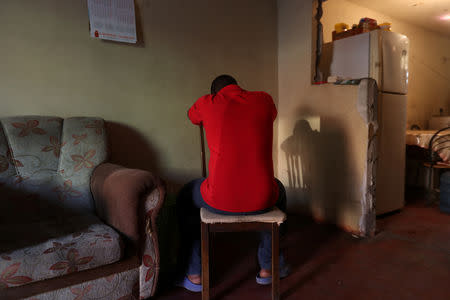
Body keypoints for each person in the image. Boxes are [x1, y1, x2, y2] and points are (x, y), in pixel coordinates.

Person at [176, 75, 289, 292]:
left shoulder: (207, 102)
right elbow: (272, 114)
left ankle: (194, 273)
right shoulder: (263, 99)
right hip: (262, 197)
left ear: (215, 92)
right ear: (238, 86)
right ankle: (270, 266)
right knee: (280, 190)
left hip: (219, 199)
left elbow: (192, 116)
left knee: (185, 196)